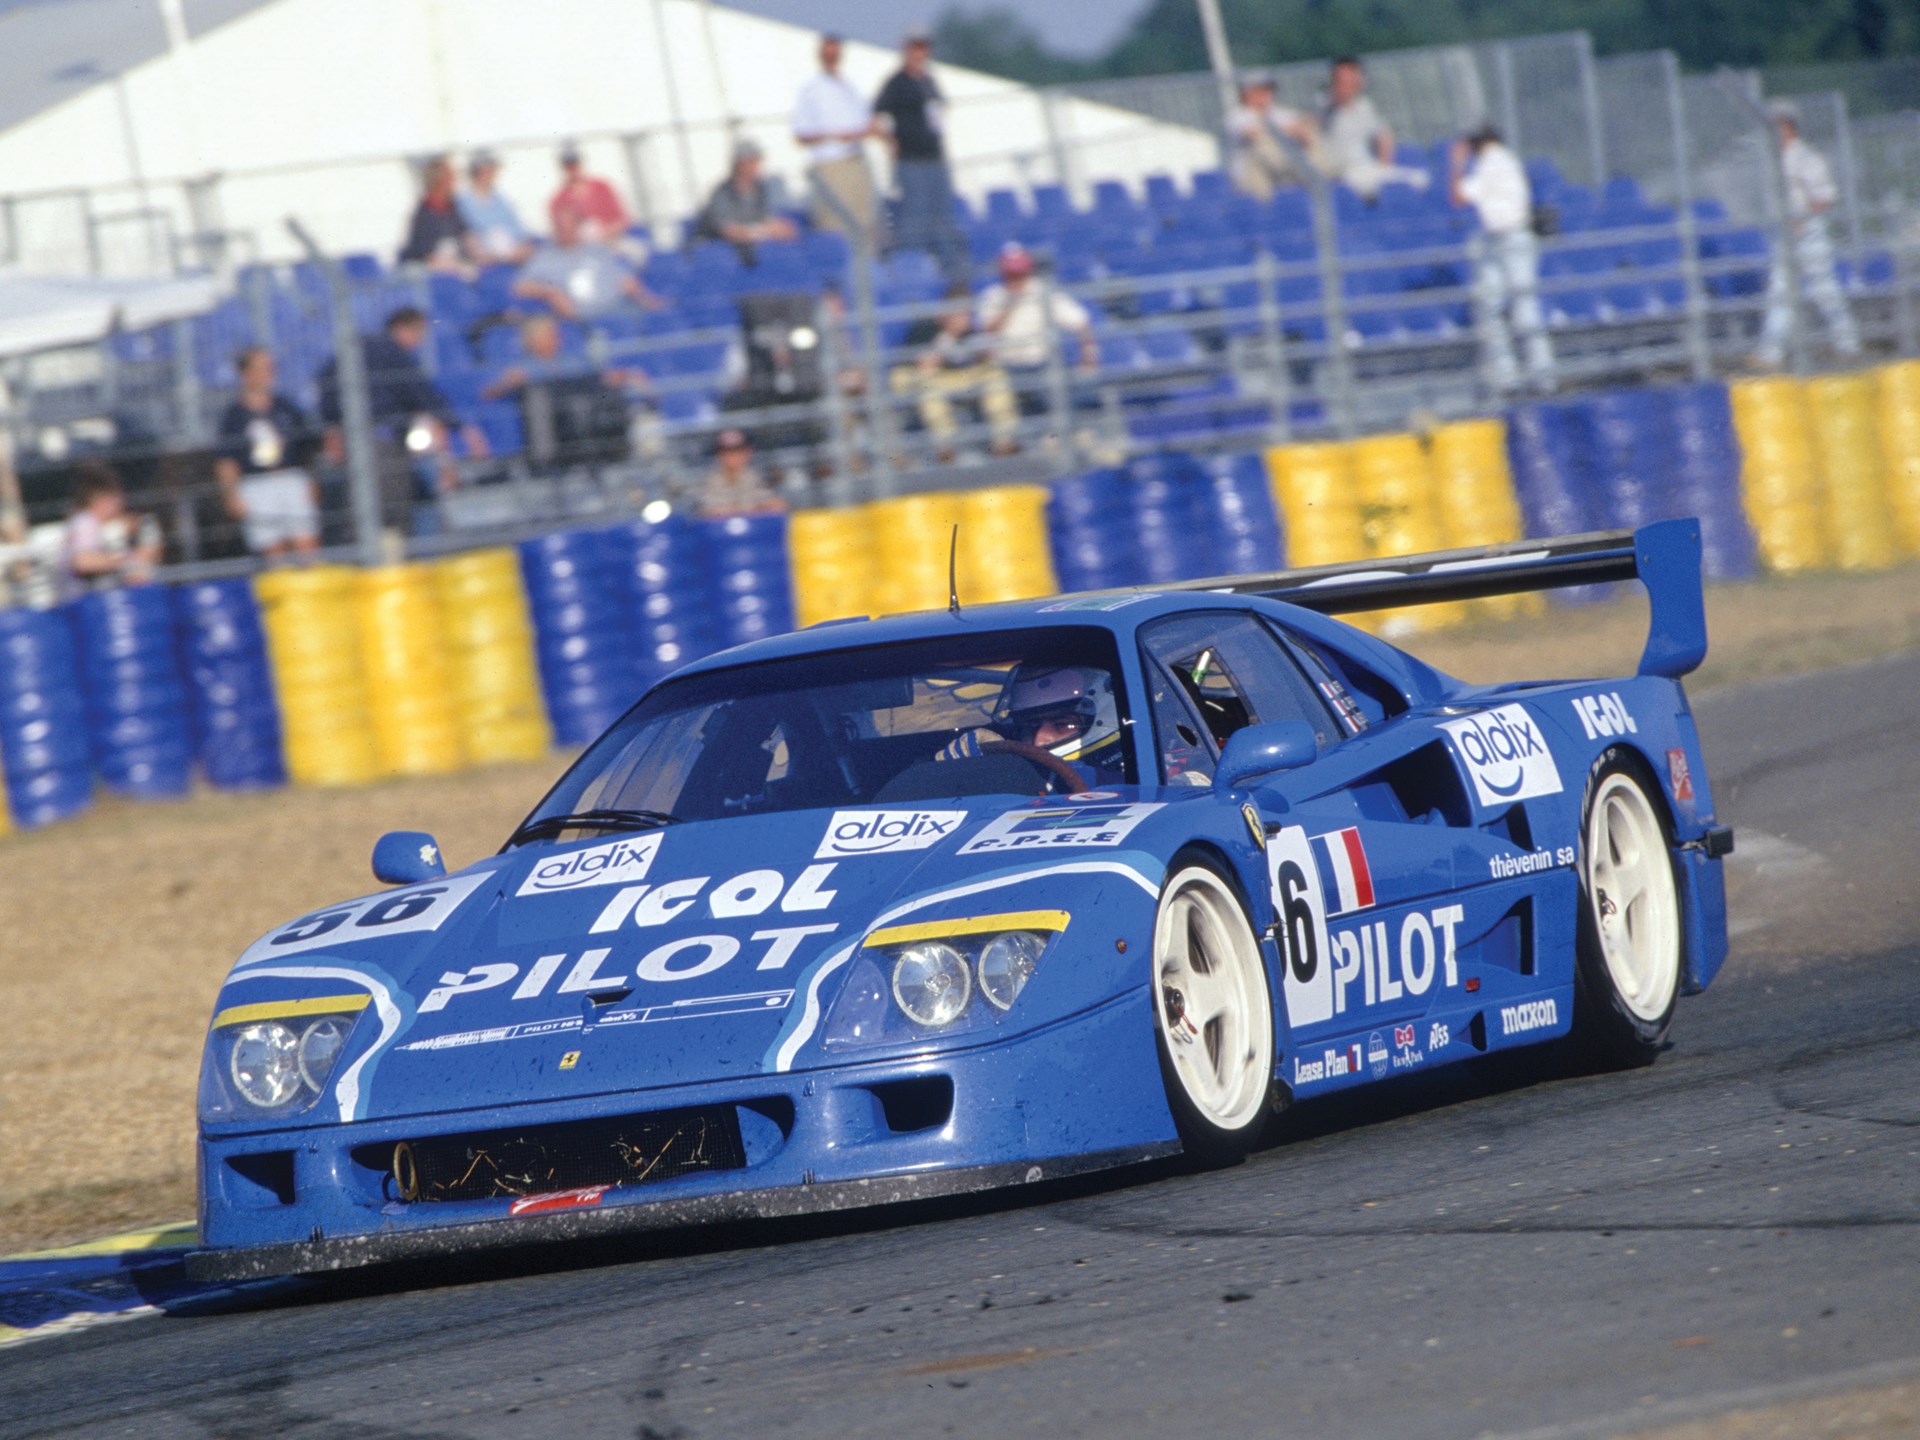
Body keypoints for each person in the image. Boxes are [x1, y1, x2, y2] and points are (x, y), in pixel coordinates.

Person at [317, 307, 487, 537]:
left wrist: (334, 426)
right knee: (391, 514)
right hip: (383, 442)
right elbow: (422, 393)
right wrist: (461, 427)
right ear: (402, 328)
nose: (419, 341)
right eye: (418, 333)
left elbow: (325, 386)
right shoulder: (392, 352)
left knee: (362, 508)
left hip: (355, 439)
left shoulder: (357, 349)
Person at [1754, 100, 1861, 369]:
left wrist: (1804, 218)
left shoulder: (1806, 158)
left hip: (1807, 231)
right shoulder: (1777, 159)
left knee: (1823, 289)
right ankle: (1770, 352)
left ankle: (1847, 342)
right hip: (1785, 232)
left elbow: (1825, 196)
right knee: (1780, 289)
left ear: (1787, 127)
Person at [1450, 125, 1555, 395]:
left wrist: (1458, 163)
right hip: (1498, 241)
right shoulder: (1500, 159)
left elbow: (1458, 197)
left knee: (1522, 309)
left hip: (1512, 239)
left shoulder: (1494, 160)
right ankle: (1513, 378)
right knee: (1490, 305)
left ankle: (1541, 378)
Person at [483, 314, 648, 469]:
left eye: (555, 334)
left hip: (584, 417)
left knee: (605, 397)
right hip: (550, 424)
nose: (557, 338)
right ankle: (547, 461)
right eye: (549, 334)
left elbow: (597, 378)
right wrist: (506, 384)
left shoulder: (572, 361)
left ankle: (616, 449)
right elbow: (489, 394)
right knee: (538, 398)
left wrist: (624, 375)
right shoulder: (522, 367)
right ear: (533, 340)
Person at [873, 28, 969, 285]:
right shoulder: (896, 83)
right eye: (915, 47)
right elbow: (874, 115)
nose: (919, 52)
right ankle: (908, 273)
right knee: (914, 220)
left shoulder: (929, 81)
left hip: (935, 159)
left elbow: (939, 112)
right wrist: (890, 141)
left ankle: (952, 274)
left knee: (942, 217)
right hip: (911, 162)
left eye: (923, 47)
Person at [935, 664, 1126, 788]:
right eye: (1030, 726)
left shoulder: (1132, 780)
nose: (1039, 739)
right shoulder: (1009, 772)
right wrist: (957, 772)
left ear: (1106, 717)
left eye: (1062, 724)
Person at [214, 347, 322, 560]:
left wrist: (311, 480)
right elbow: (226, 461)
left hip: (290, 478)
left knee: (307, 543)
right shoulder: (233, 418)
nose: (268, 374)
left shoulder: (286, 408)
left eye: (270, 368)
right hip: (257, 484)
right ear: (245, 374)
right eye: (261, 368)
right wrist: (232, 495)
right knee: (273, 550)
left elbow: (307, 449)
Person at [890, 283, 1018, 457]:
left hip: (960, 378)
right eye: (958, 311)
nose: (963, 317)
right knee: (928, 387)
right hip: (925, 378)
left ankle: (1003, 441)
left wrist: (983, 352)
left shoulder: (971, 333)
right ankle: (946, 445)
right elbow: (925, 366)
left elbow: (985, 360)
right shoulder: (925, 329)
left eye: (966, 312)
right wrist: (949, 335)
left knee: (996, 375)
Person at [793, 32, 878, 244]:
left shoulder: (849, 88)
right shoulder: (810, 90)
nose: (832, 58)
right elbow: (801, 135)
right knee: (834, 226)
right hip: (830, 165)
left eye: (835, 54)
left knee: (864, 223)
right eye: (827, 54)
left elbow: (866, 123)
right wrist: (835, 136)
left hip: (856, 163)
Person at [976, 243, 1098, 384]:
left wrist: (1089, 358)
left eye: (1020, 274)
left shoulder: (1043, 291)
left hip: (1041, 363)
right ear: (1003, 273)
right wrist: (1010, 305)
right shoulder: (992, 296)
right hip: (1005, 367)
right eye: (1012, 274)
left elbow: (1080, 322)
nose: (1016, 279)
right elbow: (987, 332)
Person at [513, 209, 663, 319]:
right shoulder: (544, 256)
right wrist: (551, 292)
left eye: (567, 226)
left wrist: (647, 299)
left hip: (617, 307)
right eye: (559, 227)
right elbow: (520, 287)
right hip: (582, 318)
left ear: (577, 227)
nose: (563, 231)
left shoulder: (595, 249)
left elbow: (624, 279)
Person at [1319, 56, 1428, 200]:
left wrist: (1384, 165)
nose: (1347, 82)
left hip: (1367, 168)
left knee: (1419, 178)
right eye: (1342, 78)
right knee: (1366, 186)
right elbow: (1339, 98)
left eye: (1352, 76)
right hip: (1340, 172)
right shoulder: (1324, 103)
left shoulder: (1365, 106)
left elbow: (1384, 136)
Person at [60, 462, 160, 600]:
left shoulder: (92, 523)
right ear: (100, 498)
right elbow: (82, 562)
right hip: (84, 605)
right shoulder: (85, 522)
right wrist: (128, 561)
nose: (121, 504)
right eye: (116, 497)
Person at [695, 139, 799, 263]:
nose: (756, 167)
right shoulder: (722, 192)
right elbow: (729, 231)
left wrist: (780, 229)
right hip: (722, 255)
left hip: (752, 250)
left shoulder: (761, 189)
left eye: (756, 162)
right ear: (739, 165)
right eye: (751, 162)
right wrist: (765, 232)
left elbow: (769, 220)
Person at [1227, 73, 1319, 201]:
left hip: (1282, 174)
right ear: (1247, 93)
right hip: (1250, 179)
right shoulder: (1238, 115)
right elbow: (1251, 133)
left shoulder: (1277, 113)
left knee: (1310, 135)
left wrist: (1300, 129)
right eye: (1260, 90)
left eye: (1268, 90)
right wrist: (1287, 129)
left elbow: (1305, 122)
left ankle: (1325, 177)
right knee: (1262, 143)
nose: (1266, 95)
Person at [398, 155, 477, 273]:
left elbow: (467, 236)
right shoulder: (424, 214)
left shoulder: (452, 207)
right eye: (451, 178)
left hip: (455, 262)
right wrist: (459, 268)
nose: (455, 182)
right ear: (440, 181)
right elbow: (429, 256)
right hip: (431, 270)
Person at [457, 150, 535, 265]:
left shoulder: (500, 199)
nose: (493, 174)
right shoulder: (463, 201)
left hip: (512, 253)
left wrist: (521, 246)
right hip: (484, 259)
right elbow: (468, 236)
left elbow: (517, 227)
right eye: (490, 170)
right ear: (479, 172)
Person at [548, 142, 631, 243]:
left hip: (614, 241)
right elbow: (559, 234)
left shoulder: (602, 187)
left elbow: (623, 220)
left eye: (575, 164)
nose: (573, 169)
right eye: (568, 166)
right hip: (582, 248)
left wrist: (604, 232)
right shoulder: (558, 199)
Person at [698, 428, 786, 519]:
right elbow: (711, 512)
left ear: (748, 452)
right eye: (727, 451)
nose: (732, 456)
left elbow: (777, 505)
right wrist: (752, 511)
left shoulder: (755, 477)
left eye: (738, 450)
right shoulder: (710, 480)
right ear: (719, 455)